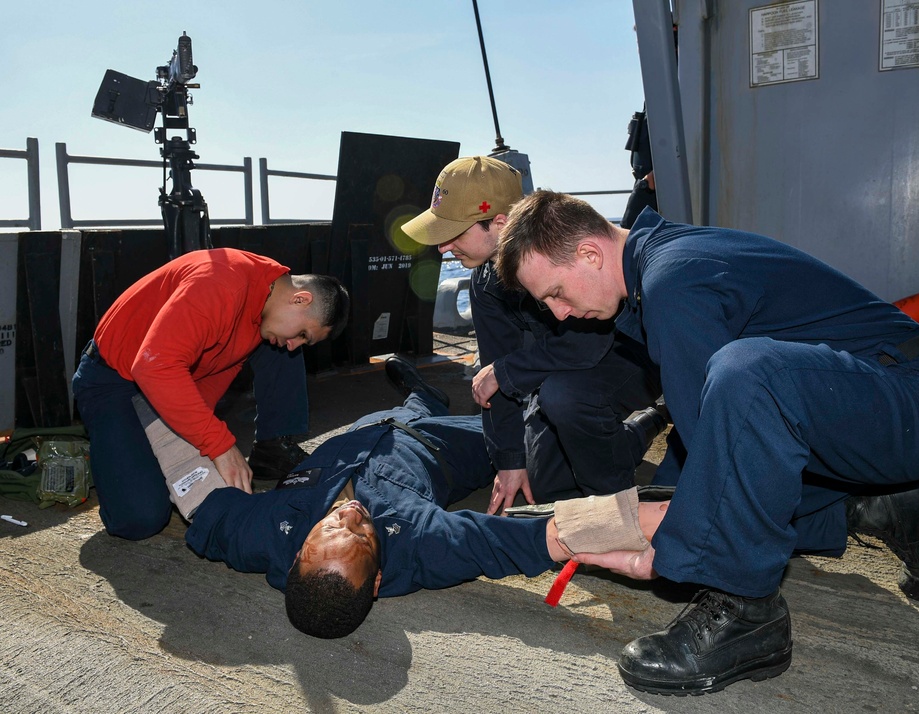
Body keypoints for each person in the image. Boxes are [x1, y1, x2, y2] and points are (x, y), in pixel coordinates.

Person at [493, 191, 919, 695]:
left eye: (555, 293)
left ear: (590, 254)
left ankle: (747, 610)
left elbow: (725, 457)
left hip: (916, 407)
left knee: (742, 395)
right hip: (868, 408)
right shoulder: (661, 261)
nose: (560, 314)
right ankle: (884, 508)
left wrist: (678, 550)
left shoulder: (672, 280)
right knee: (684, 495)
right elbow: (723, 449)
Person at [183, 355, 671, 638]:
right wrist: (640, 520)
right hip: (442, 449)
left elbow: (202, 514)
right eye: (362, 535)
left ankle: (422, 397)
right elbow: (529, 539)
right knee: (549, 449)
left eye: (332, 526)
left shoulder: (261, 535)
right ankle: (647, 421)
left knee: (398, 413)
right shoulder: (422, 546)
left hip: (366, 428)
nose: (350, 514)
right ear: (376, 582)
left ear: (293, 560)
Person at [401, 156, 663, 515]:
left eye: (453, 234)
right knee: (545, 485)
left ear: (499, 223)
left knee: (565, 397)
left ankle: (616, 513)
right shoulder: (486, 282)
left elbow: (589, 342)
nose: (442, 248)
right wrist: (509, 460)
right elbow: (497, 368)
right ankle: (641, 428)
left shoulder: (560, 252)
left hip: (629, 356)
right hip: (563, 368)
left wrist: (508, 371)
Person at [72, 247, 350, 540]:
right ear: (300, 298)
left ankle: (269, 447)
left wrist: (187, 446)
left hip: (166, 378)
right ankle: (110, 451)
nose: (295, 345)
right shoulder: (221, 283)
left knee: (279, 349)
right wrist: (219, 445)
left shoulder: (267, 305)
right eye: (303, 334)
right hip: (115, 378)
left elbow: (214, 374)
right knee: (139, 520)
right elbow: (155, 367)